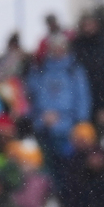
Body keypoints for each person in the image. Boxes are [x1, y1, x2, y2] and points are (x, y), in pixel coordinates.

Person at [27, 32, 92, 193]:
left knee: (67, 162)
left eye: (61, 47)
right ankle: (48, 193)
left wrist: (80, 122)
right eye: (54, 48)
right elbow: (30, 96)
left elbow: (82, 97)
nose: (57, 51)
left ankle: (66, 192)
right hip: (43, 125)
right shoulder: (40, 70)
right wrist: (39, 117)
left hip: (68, 127)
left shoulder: (74, 70)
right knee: (45, 163)